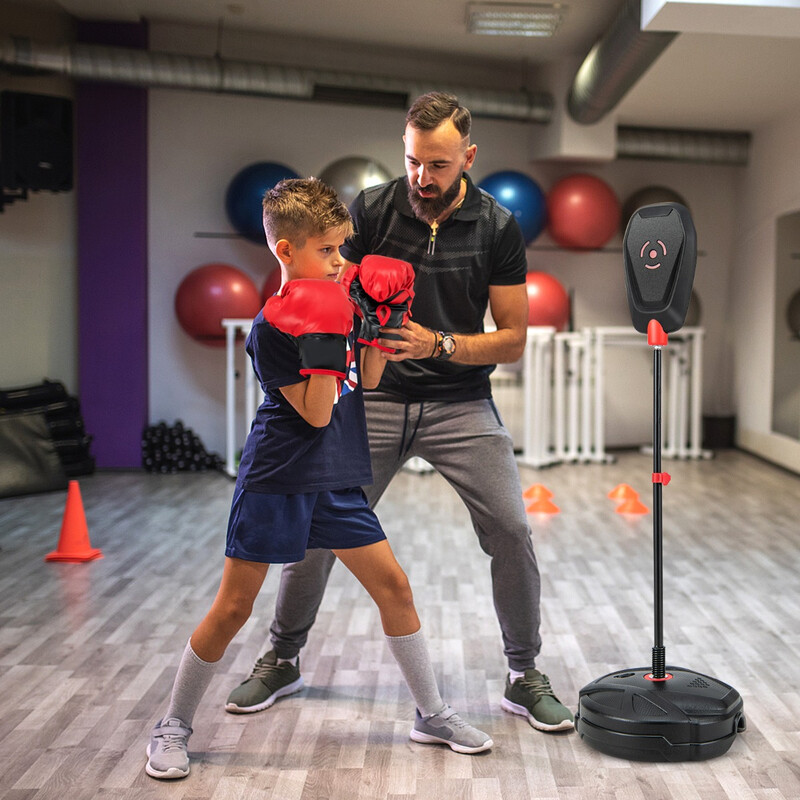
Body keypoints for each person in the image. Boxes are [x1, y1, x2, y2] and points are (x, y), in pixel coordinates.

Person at [226, 93, 574, 734]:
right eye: (413, 161)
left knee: (512, 530)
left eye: (438, 165)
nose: (422, 177)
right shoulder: (377, 207)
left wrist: (437, 342)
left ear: (467, 157)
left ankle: (524, 676)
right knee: (316, 528)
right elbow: (322, 277)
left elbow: (514, 337)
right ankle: (282, 656)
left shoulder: (497, 227)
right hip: (377, 398)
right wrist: (356, 294)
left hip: (460, 404)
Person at [144, 178, 492, 781]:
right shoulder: (274, 326)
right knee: (234, 608)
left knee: (396, 590)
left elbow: (374, 379)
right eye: (327, 250)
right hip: (278, 476)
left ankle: (431, 714)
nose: (340, 262)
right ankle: (171, 725)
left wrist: (385, 323)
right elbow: (314, 410)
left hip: (335, 478)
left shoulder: (343, 305)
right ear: (286, 251)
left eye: (341, 249)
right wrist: (328, 336)